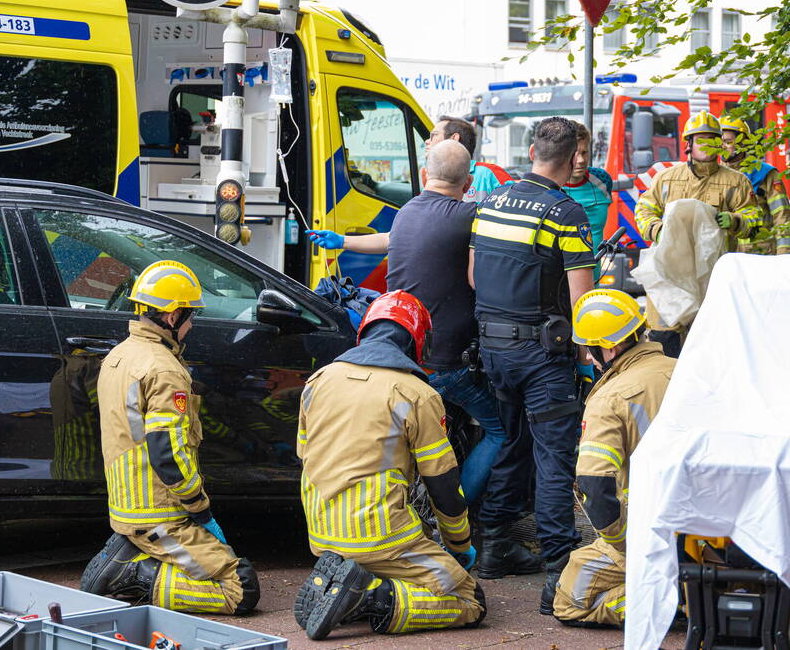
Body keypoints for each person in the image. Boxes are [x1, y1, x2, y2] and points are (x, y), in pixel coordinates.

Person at [305, 140, 513, 514]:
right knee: (500, 431)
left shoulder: (407, 213)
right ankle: (454, 515)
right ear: (468, 183)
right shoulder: (471, 217)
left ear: (423, 175)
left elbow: (391, 241)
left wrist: (343, 241)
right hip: (445, 363)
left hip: (399, 355)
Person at [292, 291, 486, 640]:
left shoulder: (318, 380)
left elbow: (305, 455)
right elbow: (442, 485)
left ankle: (354, 583)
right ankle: (369, 598)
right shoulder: (417, 394)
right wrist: (459, 545)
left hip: (322, 535)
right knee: (468, 598)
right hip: (382, 536)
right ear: (418, 341)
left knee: (397, 553)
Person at [469, 116, 596, 614]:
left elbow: (475, 277)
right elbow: (583, 301)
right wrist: (589, 355)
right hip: (543, 357)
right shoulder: (566, 213)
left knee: (512, 442)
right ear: (572, 159)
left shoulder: (491, 201)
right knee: (554, 459)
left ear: (532, 151)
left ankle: (496, 547)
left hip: (493, 349)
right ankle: (559, 575)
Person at [81, 261, 259, 615]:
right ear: (173, 316)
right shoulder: (163, 368)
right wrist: (199, 508)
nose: (192, 326)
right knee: (240, 589)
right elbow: (167, 453)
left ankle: (133, 554)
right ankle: (134, 574)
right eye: (191, 316)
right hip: (161, 514)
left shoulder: (119, 355)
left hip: (129, 506)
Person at [552, 289, 675, 627]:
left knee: (568, 601)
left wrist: (623, 544)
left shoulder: (609, 398)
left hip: (650, 529)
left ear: (608, 348)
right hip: (708, 527)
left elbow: (595, 484)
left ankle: (678, 602)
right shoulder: (689, 371)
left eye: (588, 348)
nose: (587, 356)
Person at [633, 111, 760, 357]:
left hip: (714, 278)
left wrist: (735, 220)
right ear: (689, 144)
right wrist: (657, 230)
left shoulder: (736, 182)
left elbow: (754, 218)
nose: (706, 145)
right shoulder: (667, 179)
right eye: (700, 139)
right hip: (670, 278)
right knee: (665, 343)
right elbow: (644, 209)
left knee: (711, 344)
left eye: (713, 139)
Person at [719, 116, 790, 255]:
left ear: (743, 143)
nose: (722, 146)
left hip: (760, 256)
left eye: (728, 142)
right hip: (727, 257)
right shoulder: (715, 175)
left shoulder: (764, 173)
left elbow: (782, 217)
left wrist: (784, 255)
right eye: (719, 142)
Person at [563, 121, 614, 282]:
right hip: (561, 281)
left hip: (595, 277)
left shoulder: (603, 180)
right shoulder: (550, 186)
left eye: (584, 153)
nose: (580, 160)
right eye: (574, 154)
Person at [428, 115, 514, 202]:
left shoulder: (488, 174)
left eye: (434, 135)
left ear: (454, 139)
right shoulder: (430, 176)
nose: (427, 141)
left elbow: (516, 203)